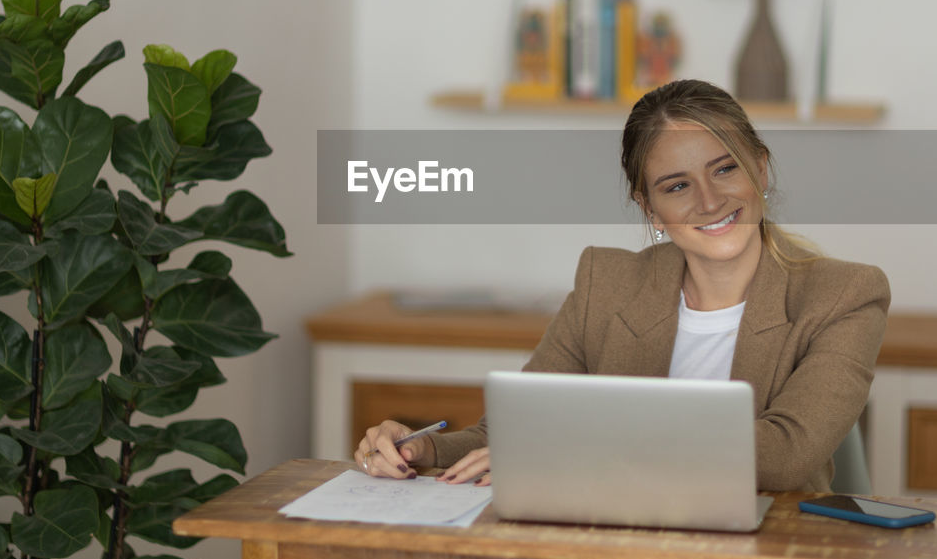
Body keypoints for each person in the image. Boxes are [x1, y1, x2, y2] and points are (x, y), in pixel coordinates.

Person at [355, 79, 889, 491]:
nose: (708, 201)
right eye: (676, 185)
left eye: (725, 170)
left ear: (761, 170)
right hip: (612, 554)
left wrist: (571, 447)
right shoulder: (604, 283)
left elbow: (784, 455)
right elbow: (514, 435)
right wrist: (421, 452)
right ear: (650, 207)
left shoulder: (844, 296)